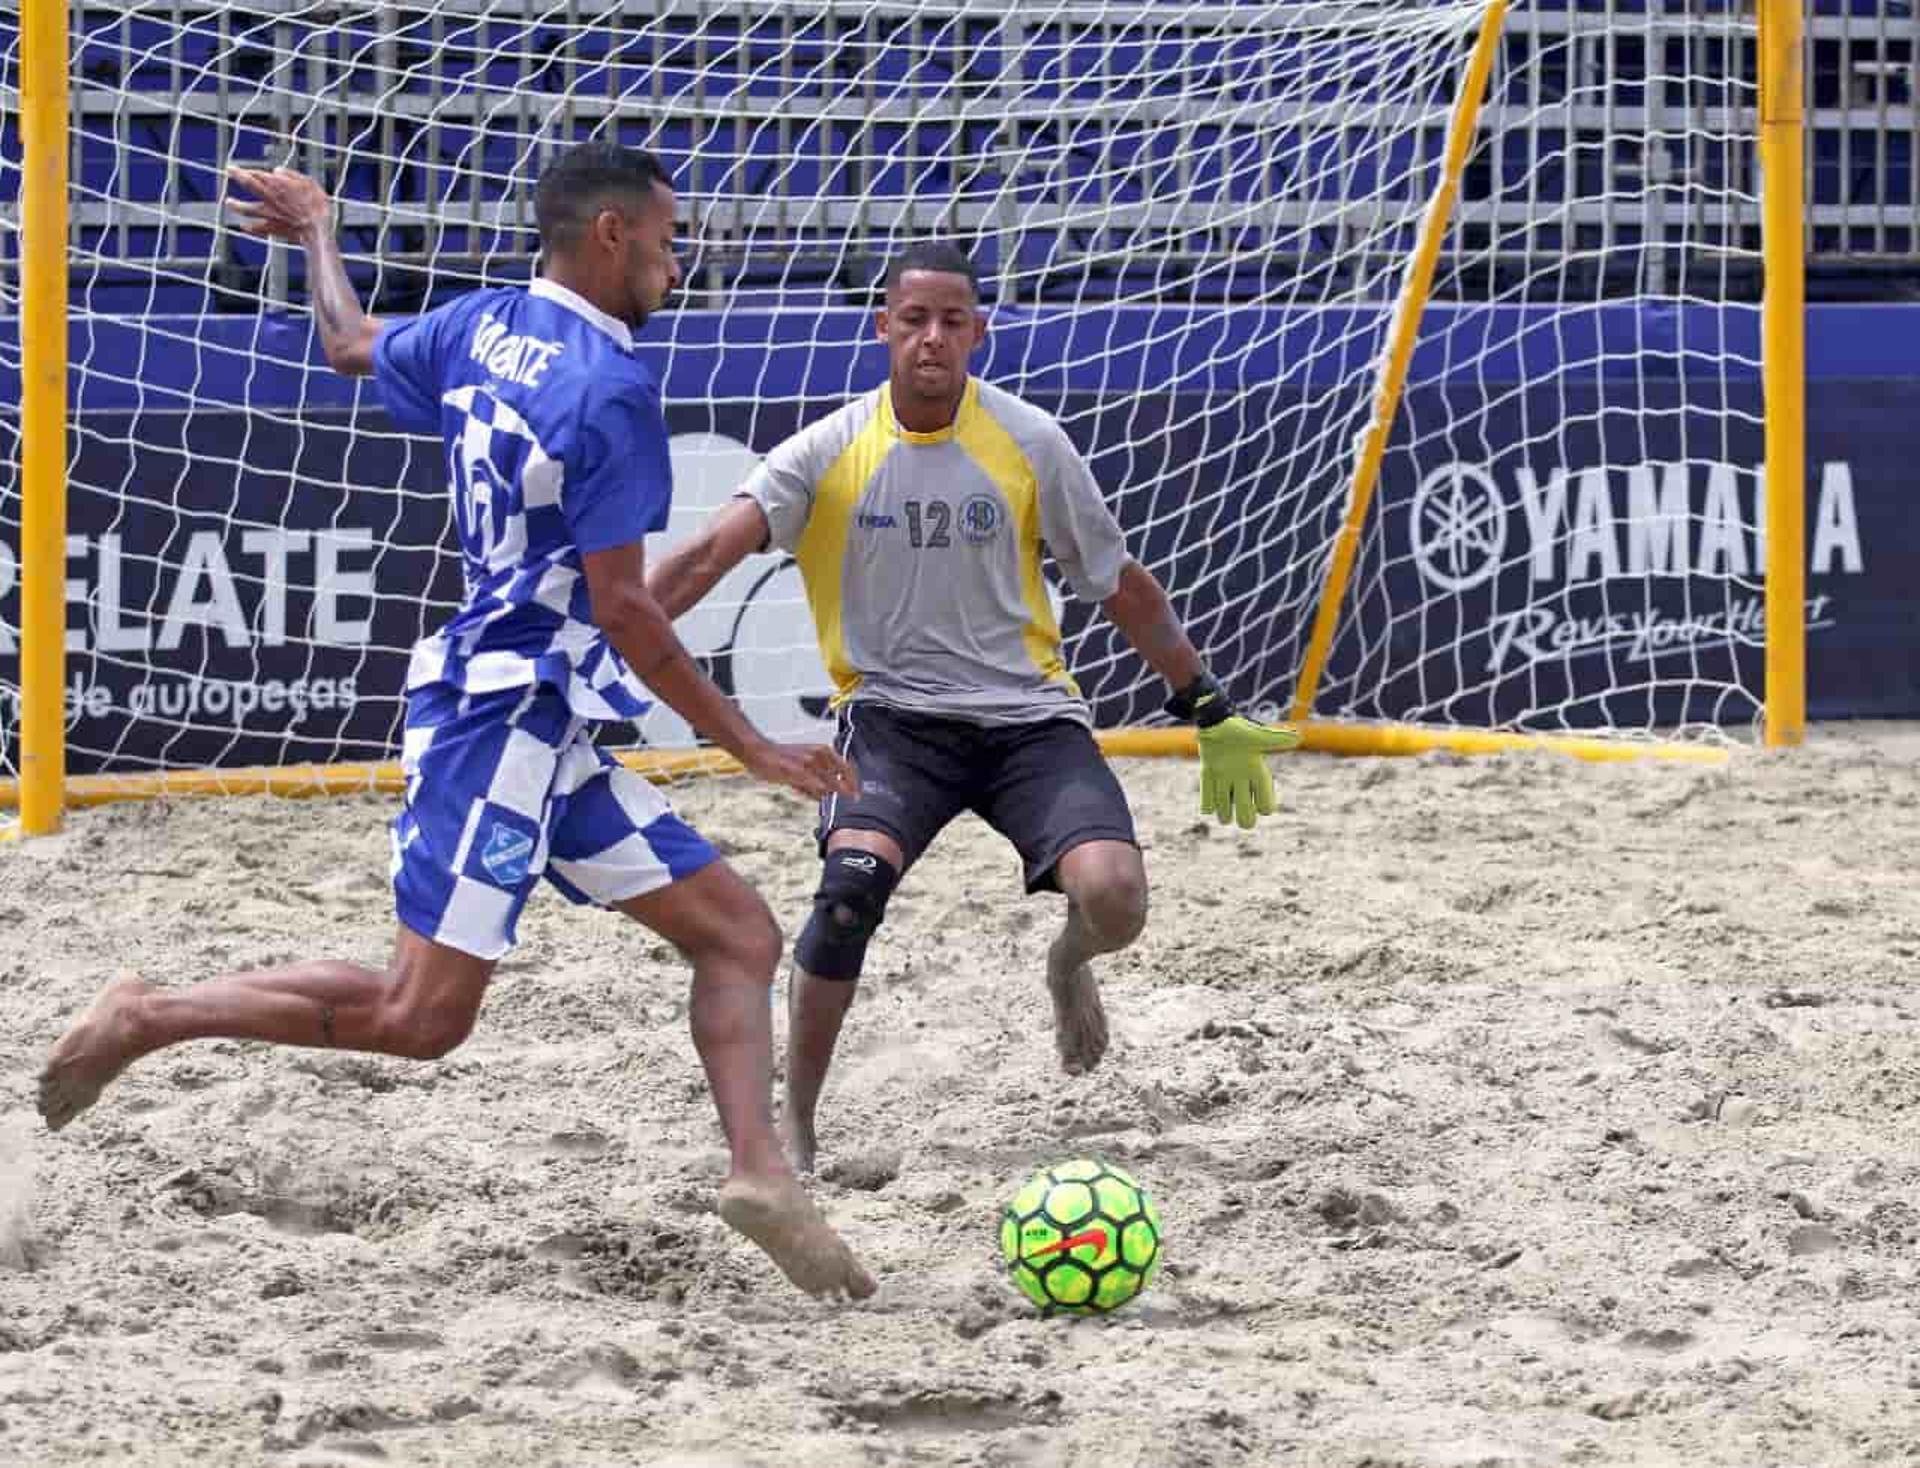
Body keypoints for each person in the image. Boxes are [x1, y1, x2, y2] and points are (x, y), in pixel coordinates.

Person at [35, 143, 876, 1301]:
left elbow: (346, 343)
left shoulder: (480, 322)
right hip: (500, 717)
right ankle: (149, 1014)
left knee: (737, 933)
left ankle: (759, 1176)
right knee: (419, 1016)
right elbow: (629, 611)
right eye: (670, 239)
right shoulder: (610, 390)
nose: (682, 264)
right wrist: (756, 747)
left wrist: (322, 233)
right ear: (611, 237)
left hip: (548, 719)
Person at [646, 240, 1300, 1173]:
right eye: (913, 319)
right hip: (894, 724)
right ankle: (798, 1125)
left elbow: (1120, 585)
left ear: (979, 333)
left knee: (1116, 900)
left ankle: (1066, 962)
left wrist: (1204, 703)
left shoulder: (1030, 441)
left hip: (1029, 721)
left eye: (952, 321)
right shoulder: (829, 449)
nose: (931, 339)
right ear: (883, 328)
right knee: (844, 901)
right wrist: (612, 625)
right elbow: (710, 552)